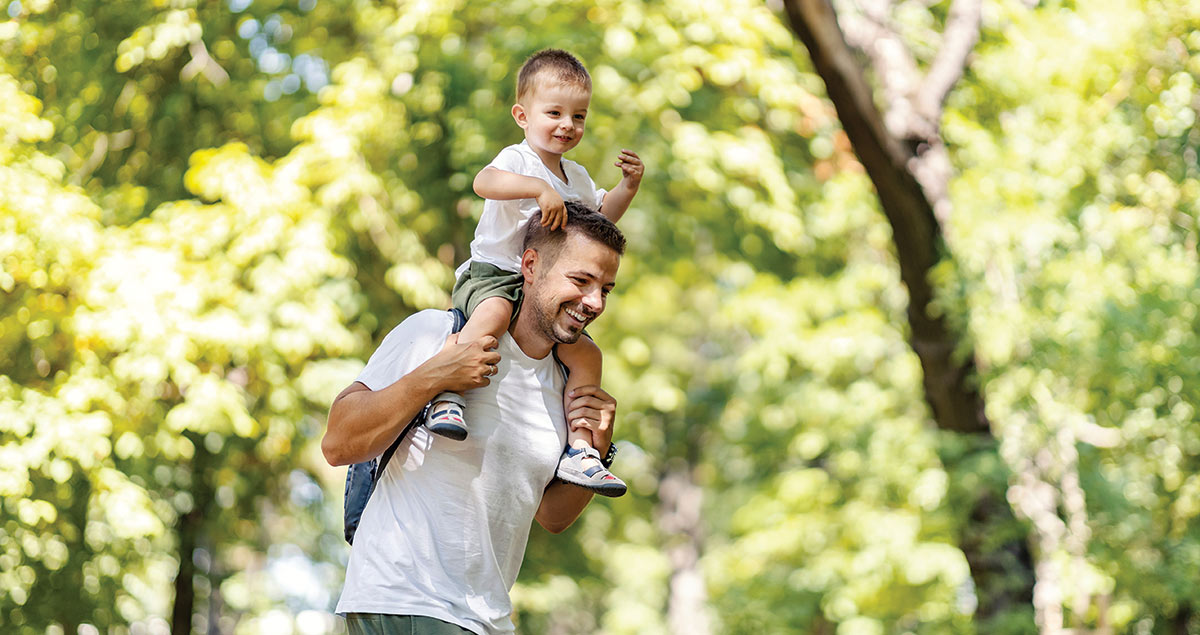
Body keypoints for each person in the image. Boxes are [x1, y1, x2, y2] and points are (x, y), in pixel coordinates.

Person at [322, 204, 627, 635]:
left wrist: (599, 443)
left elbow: (552, 516)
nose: (594, 302)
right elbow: (338, 443)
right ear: (531, 265)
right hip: (406, 599)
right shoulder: (436, 333)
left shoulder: (565, 385)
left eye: (606, 289)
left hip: (487, 620)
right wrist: (436, 375)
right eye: (580, 281)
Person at [423, 49, 643, 497]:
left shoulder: (577, 177)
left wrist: (627, 188)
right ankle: (446, 395)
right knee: (493, 316)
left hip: (541, 290)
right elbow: (483, 183)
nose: (567, 125)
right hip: (496, 274)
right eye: (554, 113)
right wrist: (537, 187)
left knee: (587, 356)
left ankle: (581, 450)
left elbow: (601, 220)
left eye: (578, 116)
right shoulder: (519, 160)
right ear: (523, 115)